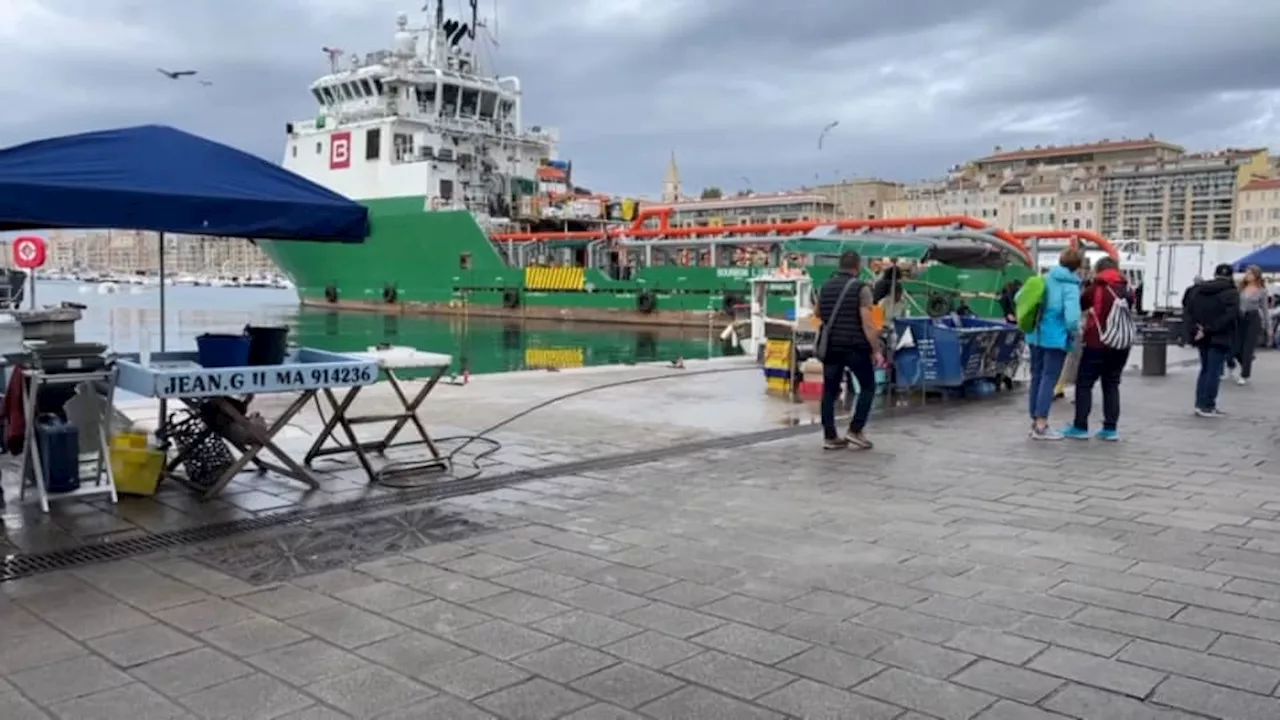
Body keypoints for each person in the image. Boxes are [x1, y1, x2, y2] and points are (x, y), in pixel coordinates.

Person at [815, 251, 882, 450]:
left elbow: (818, 312)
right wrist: (877, 349)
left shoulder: (825, 287)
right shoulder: (861, 288)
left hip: (831, 347)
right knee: (868, 387)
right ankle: (855, 430)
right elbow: (867, 324)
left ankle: (830, 436)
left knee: (829, 391)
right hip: (855, 346)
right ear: (858, 266)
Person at [1063, 257, 1132, 440]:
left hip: (1097, 342)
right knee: (1111, 384)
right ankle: (1110, 429)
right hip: (1121, 344)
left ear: (1098, 270)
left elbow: (1079, 305)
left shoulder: (1097, 288)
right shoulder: (1127, 289)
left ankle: (1080, 427)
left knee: (1084, 384)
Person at [1025, 248, 1083, 440]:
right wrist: (1075, 332)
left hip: (1035, 336)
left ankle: (1034, 421)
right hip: (1055, 339)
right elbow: (1073, 319)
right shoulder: (1070, 286)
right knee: (1049, 378)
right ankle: (1041, 424)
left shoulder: (1043, 279)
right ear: (1078, 266)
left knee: (1036, 377)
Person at [1183, 263, 1239, 417]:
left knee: (1205, 369)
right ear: (1230, 276)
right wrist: (1210, 328)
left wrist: (1198, 329)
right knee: (1214, 372)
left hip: (1201, 336)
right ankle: (1208, 405)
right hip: (1219, 336)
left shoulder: (1201, 290)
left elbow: (1189, 310)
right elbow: (1230, 317)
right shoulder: (1231, 293)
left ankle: (1199, 403)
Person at [1233, 264, 1266, 385]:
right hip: (1240, 318)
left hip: (1253, 318)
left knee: (1248, 347)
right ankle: (1246, 361)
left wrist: (1267, 326)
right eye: (1247, 273)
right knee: (1236, 347)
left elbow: (1264, 309)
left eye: (1250, 273)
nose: (1248, 275)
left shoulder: (1262, 290)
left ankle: (1244, 374)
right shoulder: (1241, 288)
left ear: (1256, 275)